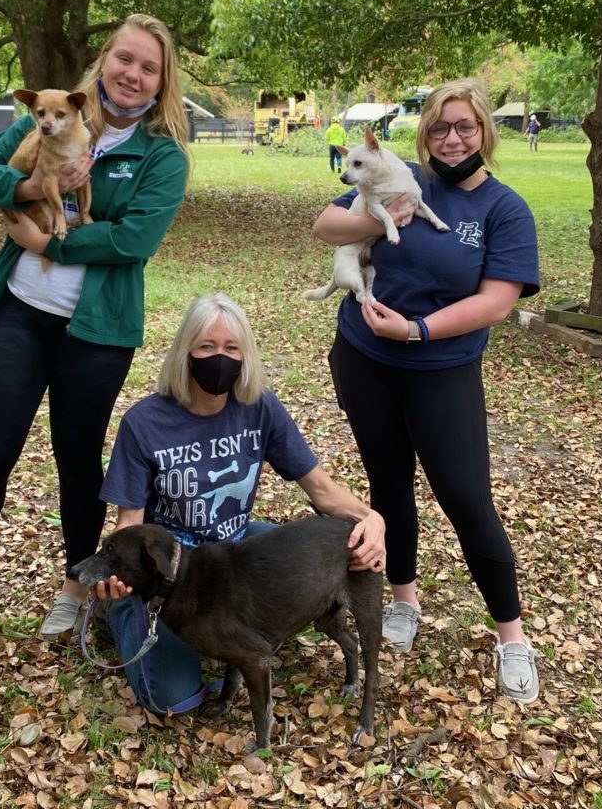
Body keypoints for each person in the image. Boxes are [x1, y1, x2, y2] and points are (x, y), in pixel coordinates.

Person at [0, 13, 190, 639]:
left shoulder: (161, 156)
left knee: (78, 460)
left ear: (160, 82)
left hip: (96, 330)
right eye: (125, 58)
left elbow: (134, 239)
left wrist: (48, 241)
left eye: (149, 67)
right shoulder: (47, 114)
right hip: (19, 312)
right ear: (104, 63)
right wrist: (31, 182)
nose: (133, 74)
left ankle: (72, 583)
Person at [312, 78, 541, 704]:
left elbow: (496, 302)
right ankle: (404, 601)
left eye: (464, 126)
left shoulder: (503, 208)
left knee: (466, 498)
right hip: (365, 360)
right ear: (424, 135)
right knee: (388, 487)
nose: (452, 138)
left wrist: (417, 330)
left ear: (484, 132)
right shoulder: (401, 179)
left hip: (442, 369)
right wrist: (371, 215)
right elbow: (325, 223)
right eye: (439, 127)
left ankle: (512, 637)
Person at [91, 293, 386, 714]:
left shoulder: (259, 407)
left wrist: (372, 519)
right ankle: (121, 617)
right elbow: (129, 522)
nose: (220, 359)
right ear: (185, 352)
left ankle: (231, 635)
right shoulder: (144, 422)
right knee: (173, 698)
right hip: (171, 572)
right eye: (206, 347)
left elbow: (321, 490)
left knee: (308, 558)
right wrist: (117, 576)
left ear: (245, 355)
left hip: (231, 550)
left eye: (231, 348)